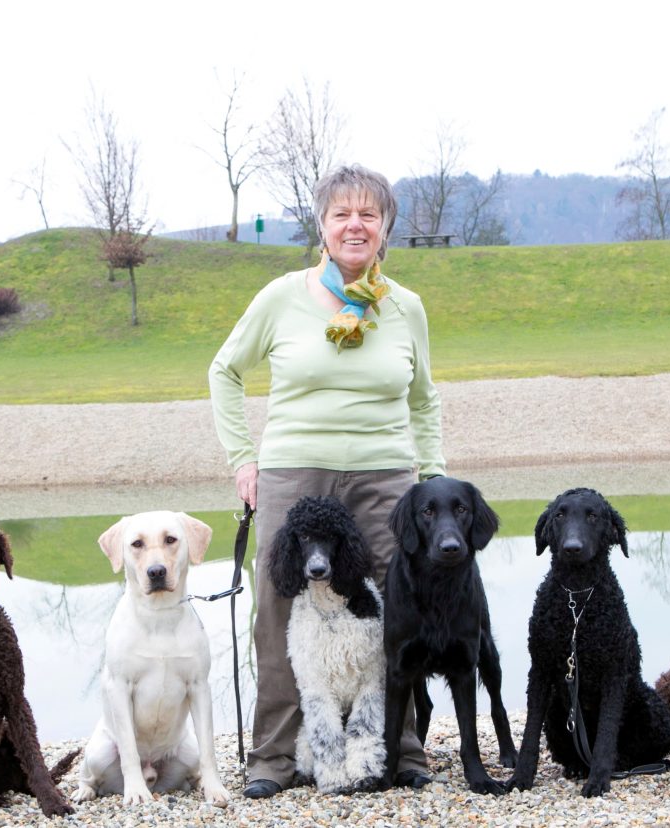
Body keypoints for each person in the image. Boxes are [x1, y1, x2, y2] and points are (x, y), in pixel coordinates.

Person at [209, 164, 443, 798]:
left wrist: (434, 481)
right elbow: (224, 370)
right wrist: (242, 458)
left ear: (386, 227)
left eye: (368, 214)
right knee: (278, 610)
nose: (355, 225)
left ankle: (402, 749)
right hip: (294, 471)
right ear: (322, 225)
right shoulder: (282, 296)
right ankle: (274, 760)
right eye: (342, 214)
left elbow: (423, 400)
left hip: (386, 476)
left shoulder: (406, 307)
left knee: (397, 608)